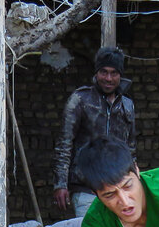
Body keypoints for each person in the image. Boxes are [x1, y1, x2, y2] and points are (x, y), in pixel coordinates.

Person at [53, 47, 136, 218]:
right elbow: (64, 145)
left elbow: (131, 150)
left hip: (118, 189)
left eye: (114, 73)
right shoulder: (81, 100)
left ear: (120, 75)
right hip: (86, 188)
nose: (108, 78)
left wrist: (135, 183)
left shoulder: (127, 106)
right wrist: (60, 184)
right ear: (96, 73)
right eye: (104, 72)